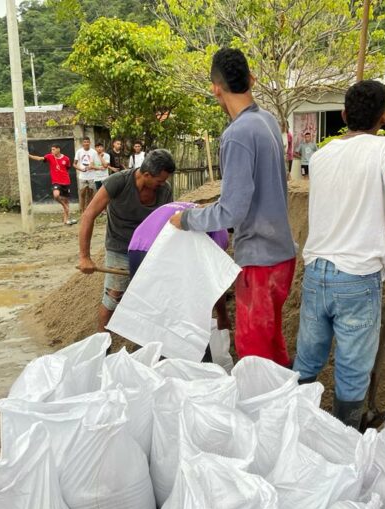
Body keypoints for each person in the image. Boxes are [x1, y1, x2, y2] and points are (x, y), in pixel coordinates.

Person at [291, 80, 385, 428]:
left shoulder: (321, 155)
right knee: (352, 369)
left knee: (307, 360)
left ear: (343, 114)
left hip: (317, 272)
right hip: (357, 276)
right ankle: (347, 435)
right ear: (384, 117)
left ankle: (293, 423)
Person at [169, 47, 297, 366]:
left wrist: (185, 219)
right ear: (250, 79)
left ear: (216, 88)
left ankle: (266, 412)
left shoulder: (237, 134)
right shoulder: (266, 120)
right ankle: (285, 404)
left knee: (254, 352)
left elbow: (232, 211)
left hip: (260, 259)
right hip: (281, 254)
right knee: (272, 342)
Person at [78, 149, 176, 332]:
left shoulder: (165, 190)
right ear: (146, 174)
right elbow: (88, 215)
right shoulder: (119, 182)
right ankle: (103, 346)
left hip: (149, 249)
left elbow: (167, 222)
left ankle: (147, 343)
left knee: (154, 298)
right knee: (114, 296)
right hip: (120, 247)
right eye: (160, 180)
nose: (163, 184)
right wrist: (85, 257)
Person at [129, 202, 231, 352]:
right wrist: (222, 316)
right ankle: (200, 362)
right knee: (185, 313)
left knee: (148, 311)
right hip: (164, 252)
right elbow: (213, 281)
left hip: (137, 246)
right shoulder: (220, 230)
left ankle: (145, 357)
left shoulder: (194, 208)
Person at [28, 143, 75, 225]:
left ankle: (66, 220)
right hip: (56, 181)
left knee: (66, 200)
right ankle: (63, 205)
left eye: (53, 149)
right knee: (56, 195)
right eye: (51, 149)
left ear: (58, 149)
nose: (52, 151)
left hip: (66, 181)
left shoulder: (66, 159)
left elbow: (67, 168)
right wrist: (29, 156)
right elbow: (39, 158)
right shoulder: (49, 156)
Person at [74, 137, 97, 213]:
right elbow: (74, 164)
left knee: (91, 193)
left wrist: (92, 166)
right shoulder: (79, 152)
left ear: (90, 143)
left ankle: (89, 210)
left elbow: (96, 162)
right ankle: (82, 211)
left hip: (92, 175)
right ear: (82, 143)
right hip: (82, 176)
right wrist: (81, 169)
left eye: (87, 142)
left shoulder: (94, 152)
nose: (86, 143)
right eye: (85, 142)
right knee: (82, 193)